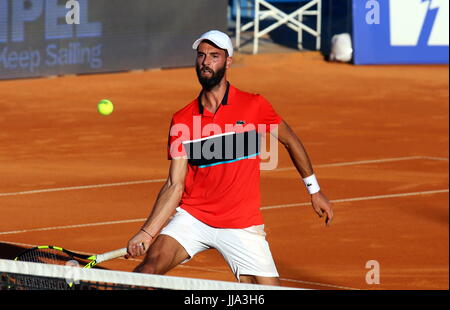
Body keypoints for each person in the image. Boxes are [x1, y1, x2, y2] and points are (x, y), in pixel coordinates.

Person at [126, 30, 334, 286]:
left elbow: (290, 140)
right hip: (193, 218)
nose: (205, 62)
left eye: (214, 56)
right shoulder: (182, 120)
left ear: (228, 62)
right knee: (147, 271)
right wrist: (147, 233)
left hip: (241, 223)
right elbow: (174, 185)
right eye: (201, 56)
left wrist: (314, 190)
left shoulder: (254, 105)